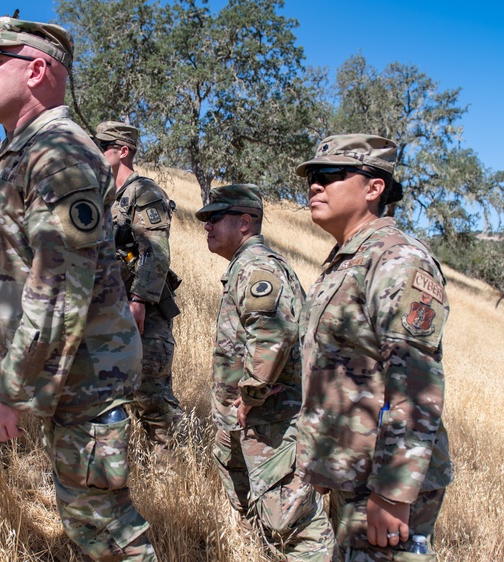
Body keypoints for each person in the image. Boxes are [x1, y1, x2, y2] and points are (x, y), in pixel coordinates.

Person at [0, 17, 155, 561]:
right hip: (26, 349)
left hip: (88, 364)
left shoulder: (61, 155)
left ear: (37, 70)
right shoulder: (19, 152)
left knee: (97, 525)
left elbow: (60, 287)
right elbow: (2, 264)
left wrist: (8, 393)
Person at [293, 134, 454, 561]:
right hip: (354, 475)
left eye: (329, 175)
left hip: (380, 482)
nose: (314, 185)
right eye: (312, 177)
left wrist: (393, 491)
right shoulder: (348, 259)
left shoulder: (397, 260)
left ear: (373, 187)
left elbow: (417, 383)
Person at [196, 184, 334, 561]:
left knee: (292, 523)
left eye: (214, 217)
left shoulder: (258, 267)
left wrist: (252, 394)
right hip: (246, 420)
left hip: (269, 418)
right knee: (259, 511)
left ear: (245, 222)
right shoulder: (243, 266)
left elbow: (274, 332)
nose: (206, 225)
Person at [93, 121, 183, 452]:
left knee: (150, 394)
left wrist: (139, 299)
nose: (95, 151)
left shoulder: (143, 193)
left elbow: (156, 251)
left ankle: (169, 471)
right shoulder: (101, 196)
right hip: (105, 307)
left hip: (143, 309)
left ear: (123, 151)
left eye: (102, 146)